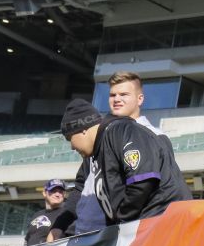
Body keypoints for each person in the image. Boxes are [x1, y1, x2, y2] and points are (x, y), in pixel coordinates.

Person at [60, 71, 170, 236]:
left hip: (121, 234)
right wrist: (61, 224)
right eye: (113, 95)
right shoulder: (98, 137)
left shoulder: (155, 135)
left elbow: (146, 186)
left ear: (139, 99)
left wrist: (121, 223)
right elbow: (81, 187)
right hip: (86, 232)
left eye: (124, 94)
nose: (117, 99)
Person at [60, 98, 192, 224]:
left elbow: (143, 178)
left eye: (69, 138)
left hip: (163, 219)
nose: (72, 146)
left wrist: (123, 217)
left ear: (83, 130)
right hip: (148, 223)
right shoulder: (101, 149)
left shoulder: (120, 130)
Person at [23, 178, 69, 246]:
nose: (57, 194)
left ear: (64, 195)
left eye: (60, 192)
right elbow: (27, 239)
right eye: (53, 191)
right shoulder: (37, 214)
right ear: (44, 193)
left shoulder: (67, 214)